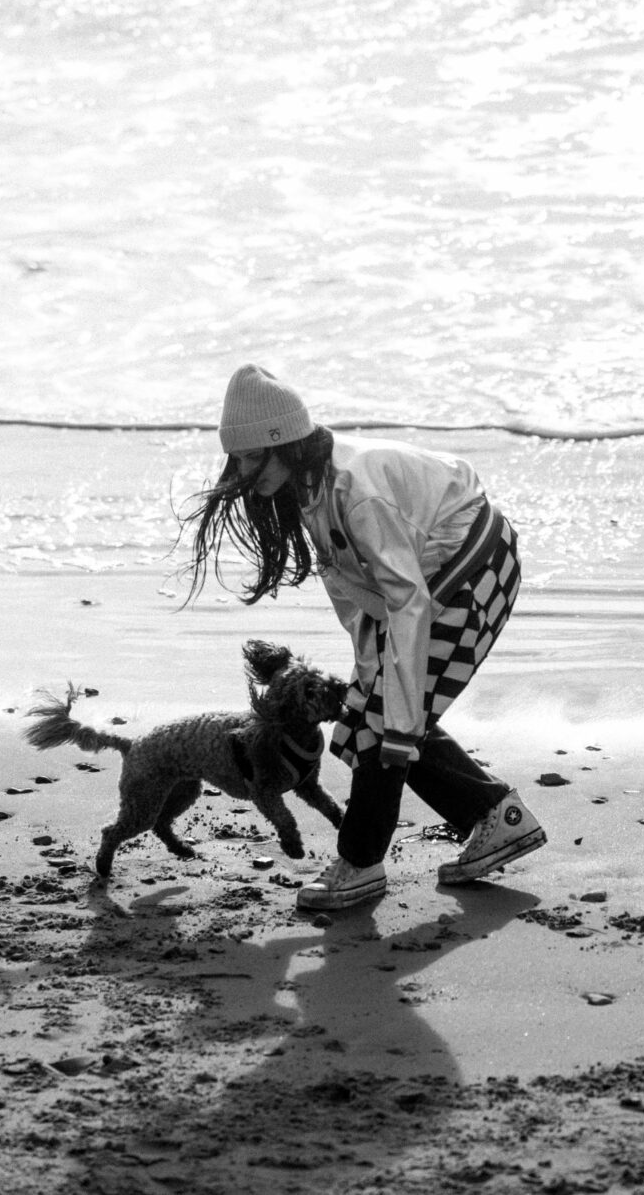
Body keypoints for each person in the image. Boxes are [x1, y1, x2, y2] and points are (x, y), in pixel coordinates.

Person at [182, 363, 545, 910]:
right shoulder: (308, 491)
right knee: (363, 715)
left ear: (286, 444)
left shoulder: (357, 489)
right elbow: (355, 602)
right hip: (427, 582)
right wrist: (372, 679)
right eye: (236, 457)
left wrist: (395, 712)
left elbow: (408, 601)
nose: (242, 469)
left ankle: (359, 863)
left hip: (475, 565)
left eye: (252, 455)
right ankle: (496, 818)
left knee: (386, 723)